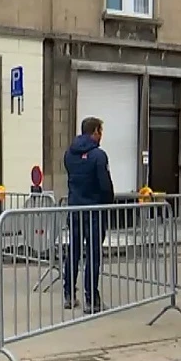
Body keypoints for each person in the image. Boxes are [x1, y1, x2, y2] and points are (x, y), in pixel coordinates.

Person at [62, 116, 115, 314]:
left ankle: (68, 295)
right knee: (92, 254)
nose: (101, 136)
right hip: (94, 211)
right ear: (95, 132)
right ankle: (91, 299)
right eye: (100, 131)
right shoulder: (98, 156)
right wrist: (107, 203)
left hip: (74, 209)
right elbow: (105, 185)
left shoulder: (69, 154)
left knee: (73, 252)